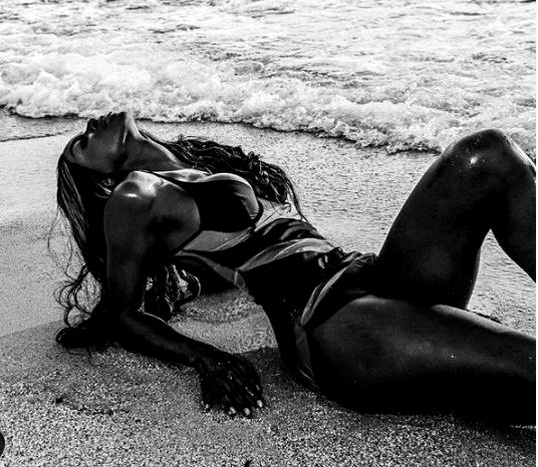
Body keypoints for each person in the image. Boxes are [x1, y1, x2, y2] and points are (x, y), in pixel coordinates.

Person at [55, 111, 535, 424]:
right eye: (81, 143)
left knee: (488, 153)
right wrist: (207, 358)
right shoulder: (133, 196)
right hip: (335, 324)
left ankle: (469, 370)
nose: (90, 125)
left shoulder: (193, 165)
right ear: (101, 180)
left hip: (373, 278)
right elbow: (125, 312)